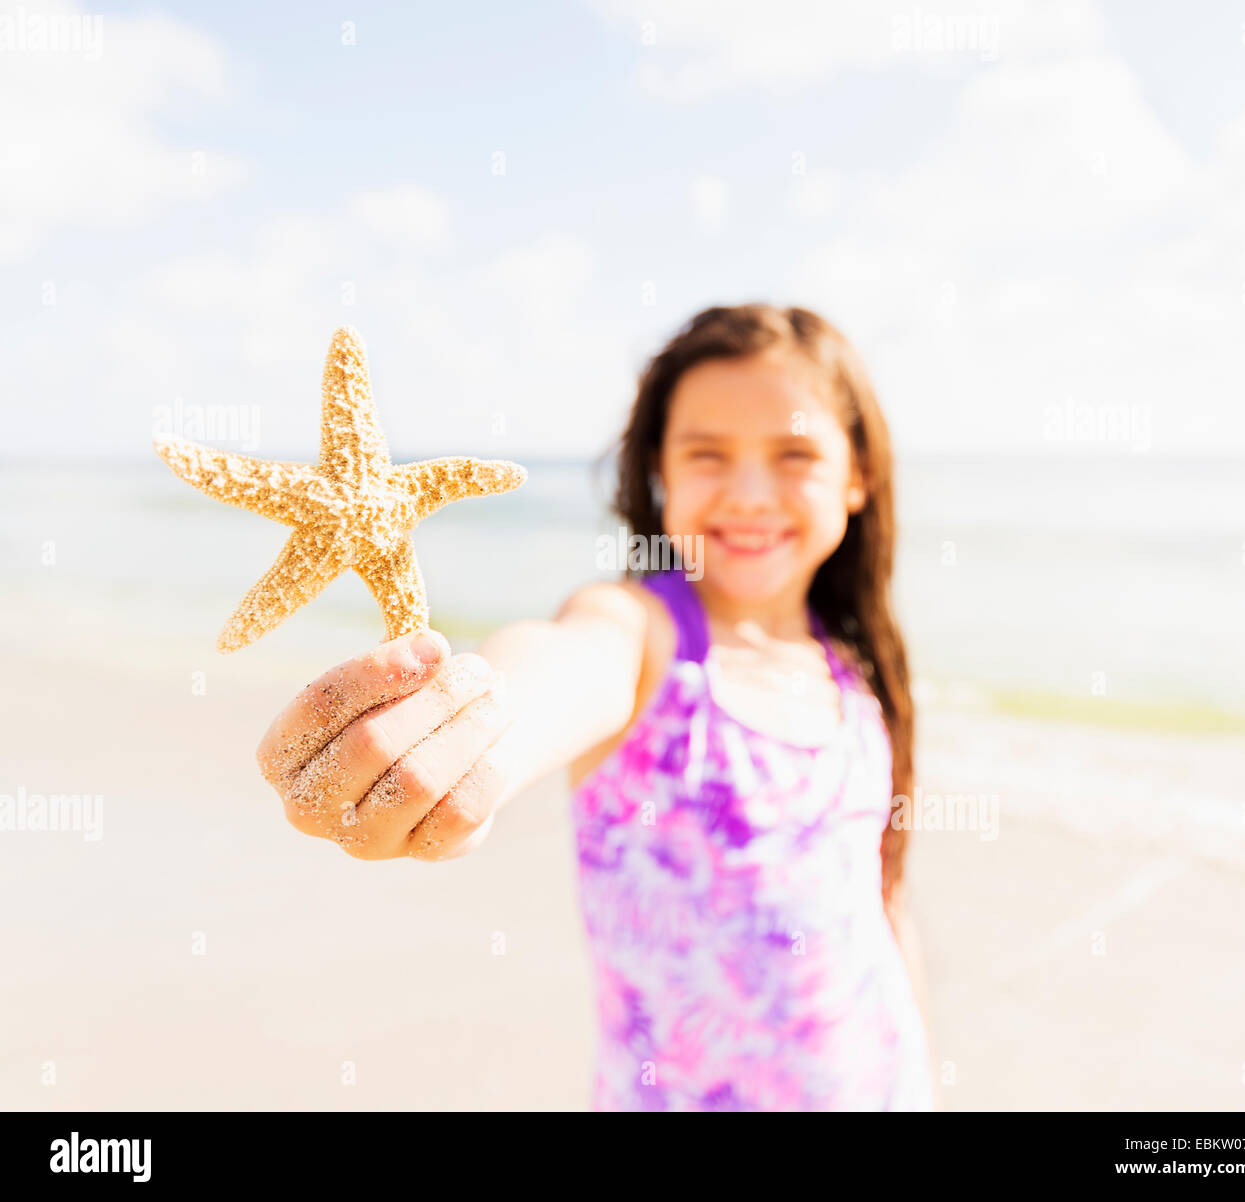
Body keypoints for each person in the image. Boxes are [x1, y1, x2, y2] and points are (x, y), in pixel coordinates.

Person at [256, 303, 938, 1111]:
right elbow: (566, 663)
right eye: (707, 454)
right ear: (660, 470)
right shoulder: (645, 640)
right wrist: (467, 743)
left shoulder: (858, 676)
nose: (751, 494)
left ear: (857, 474)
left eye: (794, 453)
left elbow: (880, 902)